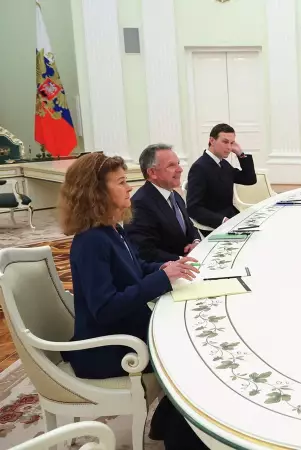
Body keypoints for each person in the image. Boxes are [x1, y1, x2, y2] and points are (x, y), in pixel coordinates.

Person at [58, 153, 207, 449]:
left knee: (191, 342)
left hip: (124, 332)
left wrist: (165, 267)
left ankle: (168, 424)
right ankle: (181, 437)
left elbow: (135, 268)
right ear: (97, 192)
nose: (129, 188)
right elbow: (105, 309)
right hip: (105, 348)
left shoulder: (112, 229)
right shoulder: (91, 241)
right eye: (121, 182)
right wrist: (160, 280)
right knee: (191, 354)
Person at [128, 144, 202, 263]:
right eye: (171, 165)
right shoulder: (140, 204)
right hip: (168, 268)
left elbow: (190, 227)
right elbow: (145, 251)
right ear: (152, 172)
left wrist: (195, 242)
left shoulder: (175, 195)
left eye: (178, 163)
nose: (180, 169)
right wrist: (182, 259)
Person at [187, 123, 257, 231]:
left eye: (231, 143)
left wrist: (240, 154)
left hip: (232, 219)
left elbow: (249, 179)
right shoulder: (199, 167)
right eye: (225, 142)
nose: (229, 147)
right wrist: (222, 220)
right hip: (215, 226)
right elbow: (193, 208)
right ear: (212, 140)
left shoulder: (223, 163)